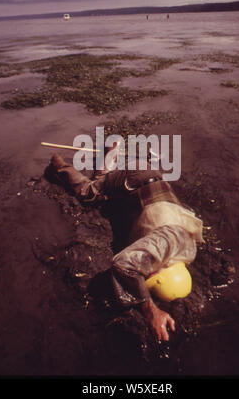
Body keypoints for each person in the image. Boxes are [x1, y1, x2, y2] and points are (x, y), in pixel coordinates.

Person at [46, 143, 204, 341]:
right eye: (152, 277)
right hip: (133, 178)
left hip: (148, 177)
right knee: (91, 194)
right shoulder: (159, 246)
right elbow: (123, 265)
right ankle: (57, 165)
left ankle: (111, 154)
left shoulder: (188, 251)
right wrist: (150, 308)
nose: (148, 273)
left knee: (108, 193)